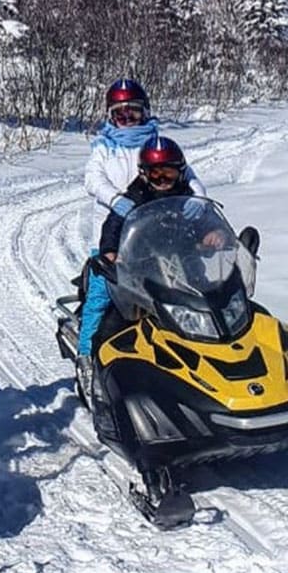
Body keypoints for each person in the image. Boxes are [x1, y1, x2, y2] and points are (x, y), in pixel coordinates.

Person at [79, 80, 207, 362]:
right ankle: (86, 357)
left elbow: (189, 175)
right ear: (110, 116)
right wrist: (113, 199)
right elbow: (92, 178)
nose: (126, 120)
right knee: (102, 298)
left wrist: (198, 198)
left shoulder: (155, 144)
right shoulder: (105, 147)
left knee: (182, 287)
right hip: (112, 236)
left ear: (145, 112)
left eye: (133, 113)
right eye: (119, 114)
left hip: (154, 234)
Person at [77, 136, 206, 398]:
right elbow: (112, 224)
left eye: (168, 173)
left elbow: (206, 223)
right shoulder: (130, 186)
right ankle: (92, 362)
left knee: (208, 305)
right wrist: (111, 251)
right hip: (138, 264)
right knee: (109, 312)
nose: (161, 179)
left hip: (178, 262)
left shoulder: (184, 191)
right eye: (155, 174)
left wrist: (213, 233)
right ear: (144, 173)